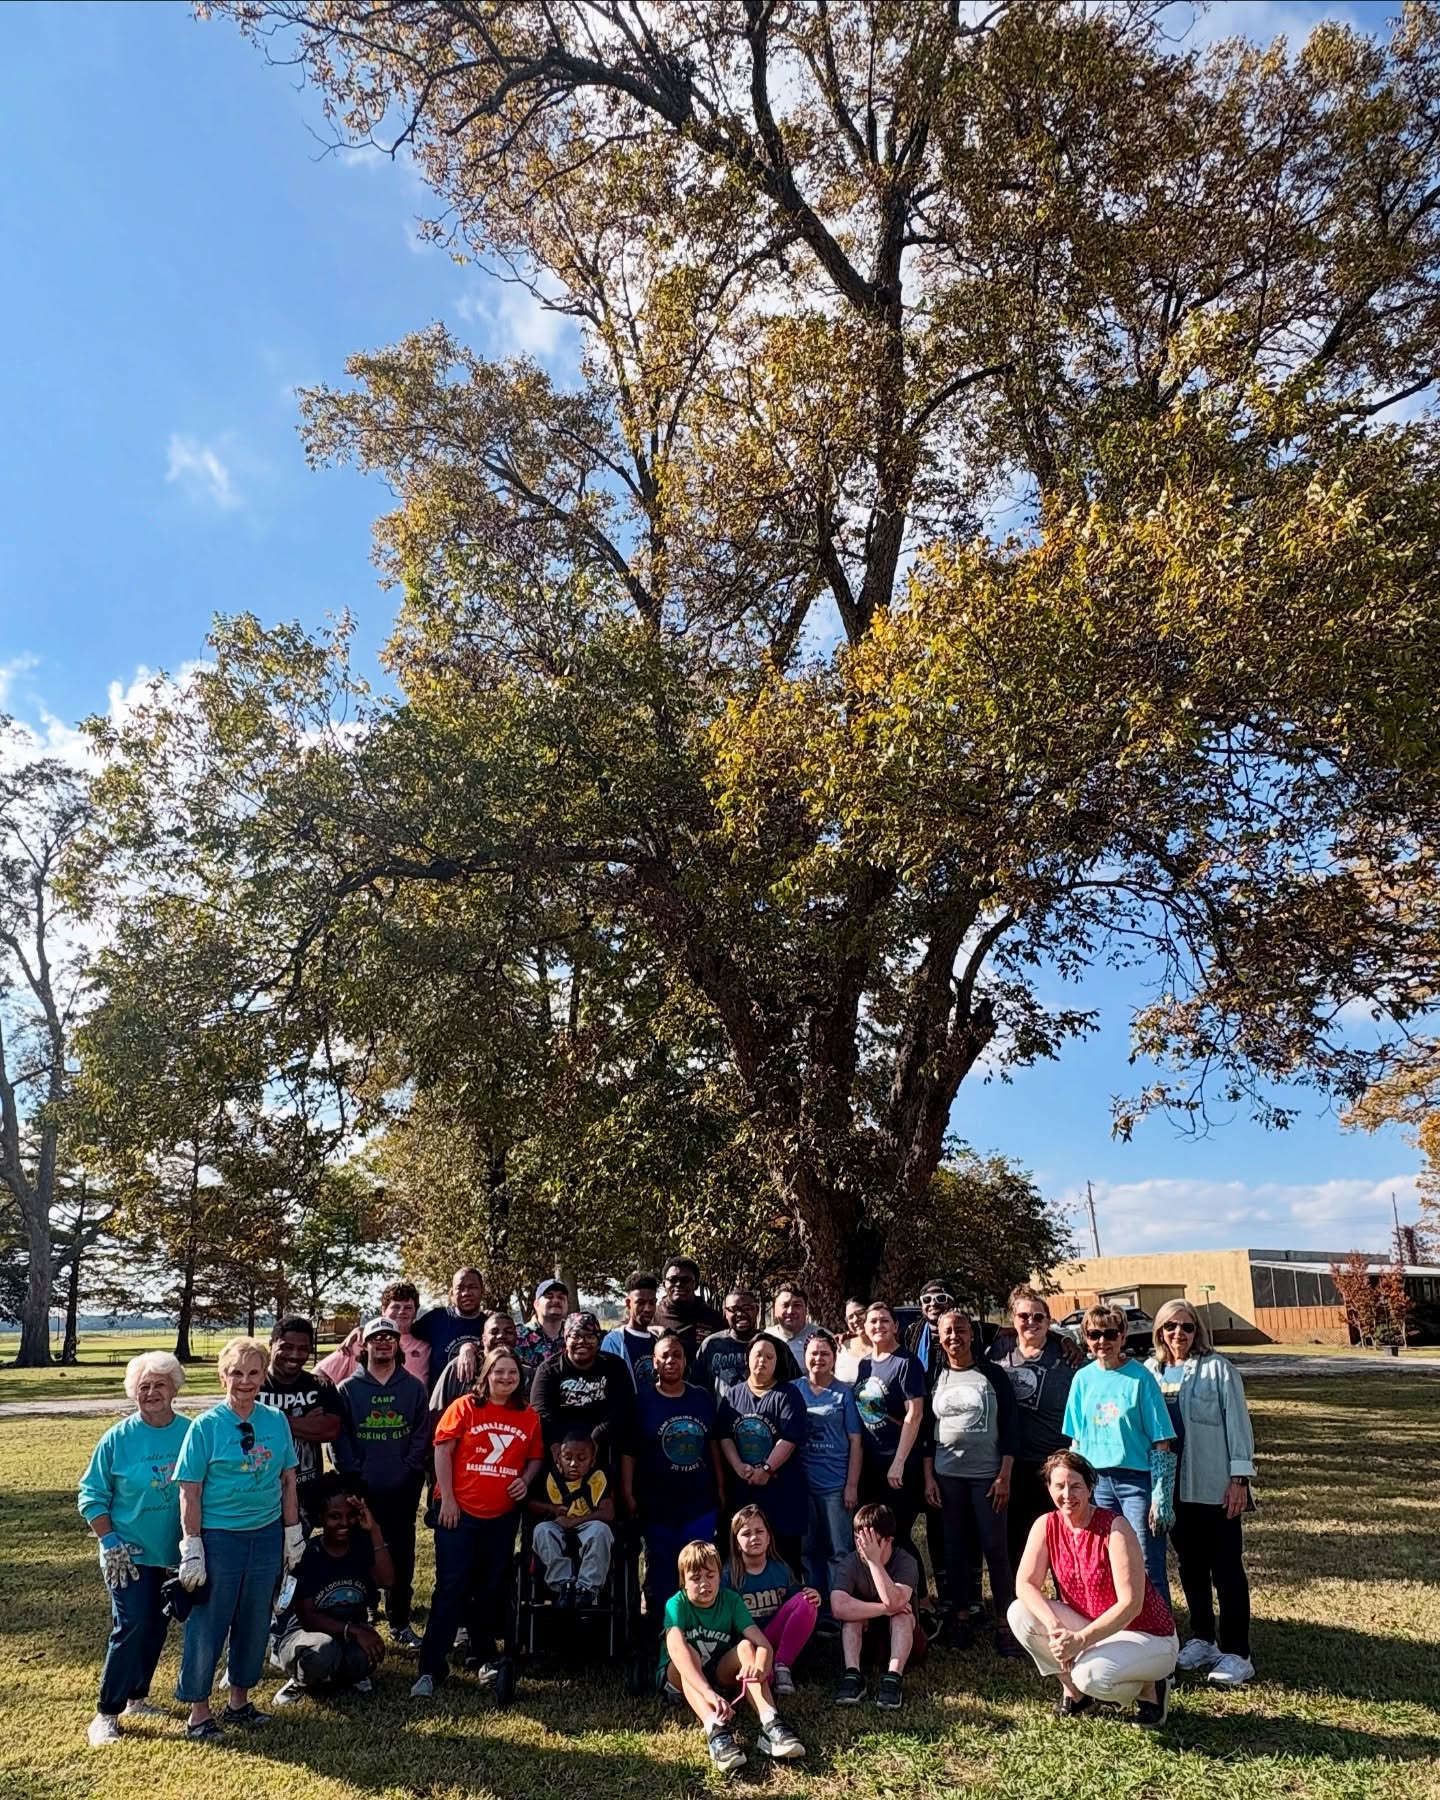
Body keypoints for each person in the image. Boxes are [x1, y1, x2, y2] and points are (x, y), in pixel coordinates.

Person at [173, 1335, 304, 1741]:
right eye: (235, 1373)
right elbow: (189, 1490)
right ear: (221, 1377)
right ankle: (199, 1713)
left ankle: (239, 1702)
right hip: (220, 1538)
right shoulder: (205, 1427)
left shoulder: (275, 1420)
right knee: (209, 1622)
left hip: (265, 1535)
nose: (244, 1381)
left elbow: (287, 1479)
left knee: (254, 1620)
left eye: (252, 1373)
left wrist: (292, 1532)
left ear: (263, 1376)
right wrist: (192, 1545)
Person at [1009, 1449, 1177, 1726]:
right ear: (1048, 1488)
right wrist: (1054, 1628)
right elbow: (1025, 1584)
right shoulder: (1046, 1524)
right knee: (1020, 1613)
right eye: (1059, 1486)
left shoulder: (1115, 1528)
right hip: (1092, 1625)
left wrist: (1081, 1641)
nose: (1067, 1495)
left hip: (1144, 1633)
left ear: (1090, 1488)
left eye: (1076, 1486)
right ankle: (1074, 1693)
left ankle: (1151, 1689)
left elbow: (1131, 1605)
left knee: (1091, 1676)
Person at [412, 1346, 543, 1699]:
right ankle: (430, 1667)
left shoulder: (527, 1416)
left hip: (501, 1516)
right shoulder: (466, 1407)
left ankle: (484, 1656)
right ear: (485, 1375)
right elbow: (442, 1450)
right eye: (498, 1372)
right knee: (451, 1588)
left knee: (490, 1589)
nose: (505, 1378)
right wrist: (448, 1500)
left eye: (512, 1373)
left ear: (520, 1379)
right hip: (459, 1512)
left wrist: (526, 1480)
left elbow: (534, 1457)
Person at [77, 1351, 189, 1747]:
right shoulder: (117, 1438)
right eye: (144, 1386)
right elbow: (91, 1496)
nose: (152, 1392)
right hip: (128, 1554)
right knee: (132, 1624)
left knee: (157, 1625)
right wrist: (109, 1541)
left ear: (175, 1388)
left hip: (175, 1553)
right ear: (133, 1392)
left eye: (160, 1384)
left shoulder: (191, 1432)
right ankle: (106, 1713)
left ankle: (136, 1698)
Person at [1146, 1300, 1257, 1686]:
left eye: (1186, 1326)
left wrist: (1239, 1478)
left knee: (1226, 1569)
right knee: (1190, 1567)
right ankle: (1203, 1637)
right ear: (1159, 1331)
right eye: (1170, 1327)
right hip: (1172, 1490)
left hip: (1214, 1487)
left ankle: (1237, 1652)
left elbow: (1238, 1424)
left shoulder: (1218, 1370)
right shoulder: (1150, 1372)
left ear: (1198, 1331)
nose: (1178, 1334)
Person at [658, 1538, 806, 1771]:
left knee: (747, 1647)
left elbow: (763, 1643)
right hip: (680, 1674)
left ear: (720, 1575)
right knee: (689, 1654)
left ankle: (771, 1721)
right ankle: (715, 1730)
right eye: (695, 1578)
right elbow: (676, 1649)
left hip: (717, 1670)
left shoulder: (731, 1599)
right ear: (683, 1582)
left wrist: (760, 1666)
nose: (704, 1584)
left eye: (710, 1575)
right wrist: (708, 1693)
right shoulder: (676, 1604)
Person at [1063, 1304, 1176, 1603]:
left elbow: (1162, 1440)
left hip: (1136, 1484)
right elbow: (1075, 1441)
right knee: (1103, 1560)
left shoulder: (1141, 1378)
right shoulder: (1081, 1380)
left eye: (1110, 1333)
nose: (1102, 1341)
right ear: (1085, 1338)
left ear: (1123, 1335)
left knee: (1145, 1562)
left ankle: (1161, 1634)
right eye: (1094, 1334)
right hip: (1095, 1485)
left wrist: (1160, 1494)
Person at [922, 1310, 1020, 1654]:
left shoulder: (992, 1374)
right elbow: (925, 1433)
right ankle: (961, 1618)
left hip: (988, 1479)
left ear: (972, 1334)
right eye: (948, 1331)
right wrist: (928, 1477)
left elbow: (1010, 1427)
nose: (954, 1337)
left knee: (996, 1550)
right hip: (948, 1480)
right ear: (940, 1337)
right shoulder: (934, 1376)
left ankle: (1005, 1624)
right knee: (955, 1550)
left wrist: (1005, 1475)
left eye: (960, 1330)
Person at [332, 1318, 432, 1648]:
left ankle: (400, 1620)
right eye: (376, 1338)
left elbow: (421, 1434)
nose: (384, 1343)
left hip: (402, 1486)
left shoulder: (414, 1387)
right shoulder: (348, 1388)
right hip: (363, 1488)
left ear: (397, 1343)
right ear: (366, 1345)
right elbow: (340, 1438)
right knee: (362, 1550)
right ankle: (366, 1612)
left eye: (390, 1337)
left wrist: (408, 1467)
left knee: (402, 1552)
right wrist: (354, 1473)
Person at [621, 1329, 725, 1615]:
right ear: (654, 1363)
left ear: (685, 1361)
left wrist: (720, 1487)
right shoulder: (641, 1403)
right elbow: (629, 1452)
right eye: (664, 1356)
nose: (671, 1361)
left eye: (677, 1355)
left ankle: (701, 1622)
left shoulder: (701, 1398)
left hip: (699, 1502)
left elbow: (713, 1444)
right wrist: (628, 1493)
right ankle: (663, 1626)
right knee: (662, 1567)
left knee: (700, 1564)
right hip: (655, 1503)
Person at [272, 1475, 395, 1706]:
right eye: (334, 1516)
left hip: (345, 1634)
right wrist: (355, 1630)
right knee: (323, 1651)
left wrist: (374, 1530)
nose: (344, 1523)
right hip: (304, 1635)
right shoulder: (308, 1555)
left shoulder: (361, 1547)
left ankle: (343, 1673)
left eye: (351, 1515)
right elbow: (308, 1618)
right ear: (320, 1517)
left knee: (365, 1656)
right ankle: (299, 1679)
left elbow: (387, 1581)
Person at [988, 1286, 1076, 1573]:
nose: (1031, 1322)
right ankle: (1021, 1604)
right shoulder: (998, 1350)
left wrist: (1063, 1339)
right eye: (1024, 1316)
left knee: (1061, 1539)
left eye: (1039, 1317)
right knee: (1016, 1538)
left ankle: (1068, 1606)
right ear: (1012, 1319)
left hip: (1054, 1462)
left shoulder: (1067, 1357)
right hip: (1011, 1462)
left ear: (1049, 1322)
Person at [852, 1302, 928, 1602]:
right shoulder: (864, 1364)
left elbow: (915, 1414)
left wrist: (898, 1462)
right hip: (870, 1463)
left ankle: (920, 1599)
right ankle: (882, 1594)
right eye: (872, 1321)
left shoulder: (907, 1363)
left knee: (897, 1535)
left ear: (896, 1326)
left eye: (885, 1320)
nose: (878, 1326)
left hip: (897, 1466)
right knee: (872, 1535)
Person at [717, 1335, 808, 1572]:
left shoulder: (788, 1394)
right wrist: (738, 1466)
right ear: (747, 1358)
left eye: (770, 1357)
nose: (763, 1361)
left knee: (785, 1557)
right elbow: (724, 1435)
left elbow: (789, 1438)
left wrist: (767, 1469)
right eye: (758, 1355)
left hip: (781, 1492)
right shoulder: (733, 1395)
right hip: (743, 1489)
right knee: (743, 1552)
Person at [790, 1328, 861, 1620]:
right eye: (814, 1353)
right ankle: (815, 1609)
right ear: (805, 1357)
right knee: (808, 1550)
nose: (819, 1358)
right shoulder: (794, 1389)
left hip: (835, 1485)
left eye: (825, 1353)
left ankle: (839, 1607)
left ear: (834, 1358)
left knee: (838, 1550)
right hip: (802, 1485)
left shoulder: (844, 1392)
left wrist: (851, 1485)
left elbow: (856, 1441)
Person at [830, 1502, 925, 1709]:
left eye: (871, 1540)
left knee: (901, 1616)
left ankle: (893, 1677)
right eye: (858, 1539)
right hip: (867, 1640)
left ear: (888, 1540)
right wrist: (884, 1609)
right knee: (852, 1617)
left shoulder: (905, 1561)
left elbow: (896, 1601)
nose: (863, 1546)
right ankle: (853, 1674)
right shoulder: (850, 1562)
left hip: (903, 1640)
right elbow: (838, 1606)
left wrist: (875, 1562)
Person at [723, 1504, 820, 1697]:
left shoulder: (781, 1569)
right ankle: (766, 1672)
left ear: (768, 1538)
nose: (754, 1537)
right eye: (746, 1533)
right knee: (762, 1680)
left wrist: (813, 1596)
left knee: (806, 1601)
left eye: (759, 1531)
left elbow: (795, 1605)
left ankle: (782, 1665)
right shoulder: (728, 1575)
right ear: (736, 1542)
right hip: (747, 1643)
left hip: (775, 1637)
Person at [256, 1315, 343, 1531]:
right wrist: (305, 1424)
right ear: (271, 1345)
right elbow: (244, 1430)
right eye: (286, 1347)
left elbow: (330, 1430)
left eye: (303, 1349)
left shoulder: (320, 1385)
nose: (294, 1355)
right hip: (260, 1494)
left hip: (305, 1493)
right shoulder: (254, 1386)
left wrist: (272, 1420)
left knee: (297, 1559)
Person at [527, 1426, 615, 1607]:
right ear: (559, 1457)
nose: (574, 1464)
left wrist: (576, 1520)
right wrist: (552, 1508)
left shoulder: (598, 1478)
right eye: (568, 1458)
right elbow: (531, 1504)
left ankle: (587, 1587)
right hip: (557, 1523)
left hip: (588, 1523)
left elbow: (608, 1513)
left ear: (592, 1461)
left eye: (581, 1459)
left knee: (601, 1531)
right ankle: (563, 1584)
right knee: (541, 1531)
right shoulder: (549, 1476)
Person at [530, 1311, 634, 1458]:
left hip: (603, 1444)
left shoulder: (615, 1366)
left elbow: (622, 1407)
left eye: (590, 1336)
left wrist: (594, 1440)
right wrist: (558, 1445)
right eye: (576, 1336)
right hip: (560, 1447)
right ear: (566, 1339)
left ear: (598, 1340)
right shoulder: (548, 1370)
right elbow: (540, 1411)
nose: (582, 1342)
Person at [316, 1281, 430, 1386]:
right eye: (395, 1306)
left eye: (408, 1307)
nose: (401, 1311)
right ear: (383, 1310)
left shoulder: (426, 1348)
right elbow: (319, 1374)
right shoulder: (360, 1342)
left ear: (415, 1313)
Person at [697, 1288, 798, 1394]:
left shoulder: (776, 1347)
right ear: (725, 1313)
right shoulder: (712, 1345)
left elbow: (795, 1387)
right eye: (733, 1309)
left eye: (747, 1308)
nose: (740, 1313)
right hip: (722, 1410)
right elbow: (697, 1388)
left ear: (757, 1310)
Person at [430, 1311, 518, 1416]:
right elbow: (436, 1412)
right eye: (494, 1332)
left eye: (508, 1332)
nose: (501, 1336)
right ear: (483, 1339)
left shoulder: (524, 1373)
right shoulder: (458, 1366)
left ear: (516, 1337)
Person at [414, 1268, 489, 1373]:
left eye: (473, 1287)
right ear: (451, 1293)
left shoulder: (490, 1325)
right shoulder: (435, 1319)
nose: (466, 1293)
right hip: (442, 1389)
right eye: (460, 1288)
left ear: (483, 1290)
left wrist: (470, 1347)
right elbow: (405, 1336)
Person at [652, 1256, 725, 1363]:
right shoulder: (653, 1317)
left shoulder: (713, 1318)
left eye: (685, 1280)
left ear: (695, 1284)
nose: (678, 1284)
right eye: (673, 1280)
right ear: (664, 1285)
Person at [600, 1271, 660, 1390]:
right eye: (641, 1303)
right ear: (628, 1303)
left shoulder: (658, 1341)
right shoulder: (614, 1342)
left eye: (651, 1303)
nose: (647, 1309)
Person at [515, 1277, 570, 1373]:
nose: (556, 1300)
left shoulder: (575, 1336)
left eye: (561, 1297)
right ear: (536, 1304)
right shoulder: (519, 1336)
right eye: (549, 1296)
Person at [772, 1284, 821, 1355]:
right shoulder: (765, 1338)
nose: (790, 1311)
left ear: (806, 1310)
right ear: (774, 1310)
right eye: (785, 1305)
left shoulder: (823, 1337)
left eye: (797, 1305)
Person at [834, 1299, 869, 1384]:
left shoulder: (884, 1346)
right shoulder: (840, 1347)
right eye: (850, 1317)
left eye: (860, 1312)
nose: (856, 1319)